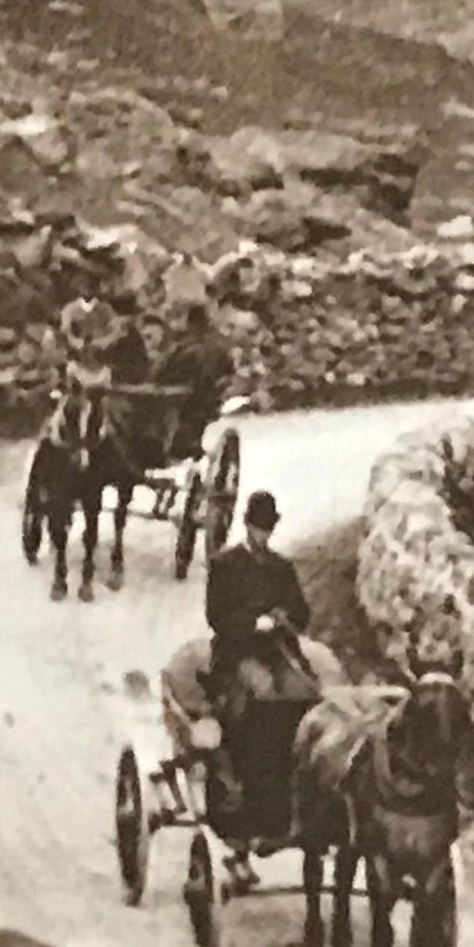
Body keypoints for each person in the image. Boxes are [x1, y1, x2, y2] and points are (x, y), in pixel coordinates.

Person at [202, 490, 312, 883]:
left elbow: (303, 612)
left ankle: (296, 773)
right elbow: (216, 616)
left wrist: (286, 617)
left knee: (308, 696)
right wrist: (252, 624)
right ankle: (257, 781)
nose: (263, 535)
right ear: (246, 526)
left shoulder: (282, 568)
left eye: (268, 529)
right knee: (262, 696)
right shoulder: (225, 565)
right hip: (236, 653)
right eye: (258, 528)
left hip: (278, 649)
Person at [159, 300, 235, 460]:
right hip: (205, 399)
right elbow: (229, 372)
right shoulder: (219, 344)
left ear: (189, 322)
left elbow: (164, 371)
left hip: (183, 399)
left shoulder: (182, 345)